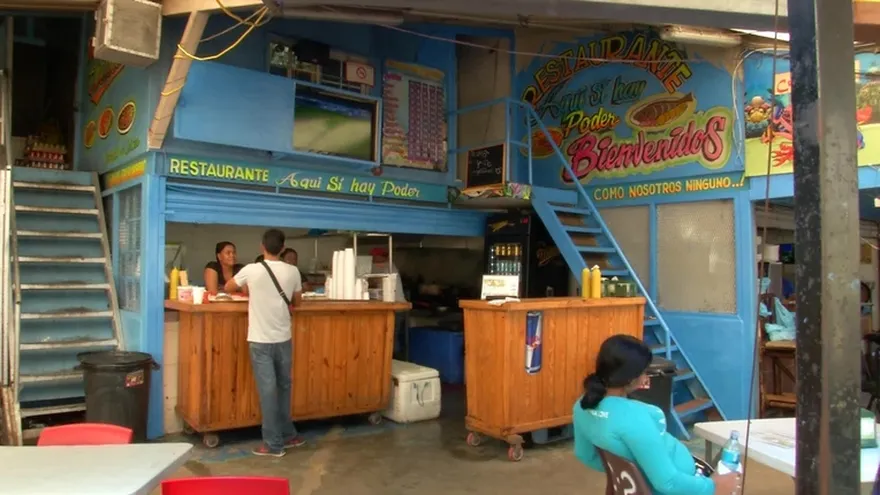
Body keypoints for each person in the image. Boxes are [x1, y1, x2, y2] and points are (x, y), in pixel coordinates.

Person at [573, 334, 742, 495]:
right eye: (644, 372)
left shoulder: (582, 405)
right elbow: (667, 482)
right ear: (630, 379)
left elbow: (586, 455)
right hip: (678, 487)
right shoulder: (636, 418)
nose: (646, 377)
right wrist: (713, 487)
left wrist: (632, 475)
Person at [224, 229, 305, 457]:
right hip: (284, 339)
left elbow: (228, 287)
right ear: (282, 248)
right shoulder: (293, 271)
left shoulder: (251, 269)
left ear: (262, 247)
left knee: (268, 392)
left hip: (260, 340)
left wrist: (249, 288)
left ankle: (273, 444)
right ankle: (289, 435)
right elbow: (297, 302)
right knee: (283, 389)